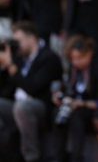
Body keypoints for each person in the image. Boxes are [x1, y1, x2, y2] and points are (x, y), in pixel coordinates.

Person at [0, 21, 62, 162]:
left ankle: (32, 158)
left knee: (22, 107)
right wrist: (3, 66)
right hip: (17, 106)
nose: (16, 46)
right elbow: (6, 90)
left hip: (42, 109)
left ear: (31, 38)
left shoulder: (49, 57)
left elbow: (32, 88)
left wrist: (10, 65)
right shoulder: (19, 59)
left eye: (18, 41)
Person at [53, 35, 98, 162]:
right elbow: (70, 90)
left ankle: (77, 158)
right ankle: (58, 157)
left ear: (89, 52)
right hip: (77, 106)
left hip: (94, 108)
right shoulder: (74, 70)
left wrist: (80, 104)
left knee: (76, 115)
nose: (75, 62)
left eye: (79, 58)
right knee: (58, 112)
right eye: (73, 59)